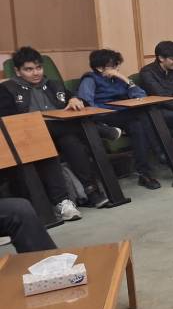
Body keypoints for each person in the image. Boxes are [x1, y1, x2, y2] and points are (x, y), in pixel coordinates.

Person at [0, 47, 110, 216]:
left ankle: (91, 191)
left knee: (71, 142)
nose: (36, 73)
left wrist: (75, 99)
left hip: (60, 133)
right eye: (29, 69)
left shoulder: (53, 84)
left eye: (38, 67)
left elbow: (80, 103)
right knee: (48, 144)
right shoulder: (7, 89)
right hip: (28, 138)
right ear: (17, 71)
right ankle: (62, 201)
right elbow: (7, 120)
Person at [77, 49, 161, 190]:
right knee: (142, 116)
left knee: (139, 123)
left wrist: (125, 79)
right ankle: (160, 153)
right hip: (105, 116)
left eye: (117, 65)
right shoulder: (89, 80)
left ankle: (144, 173)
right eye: (113, 65)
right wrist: (104, 112)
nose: (116, 69)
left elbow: (141, 96)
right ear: (99, 67)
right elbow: (86, 104)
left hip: (124, 114)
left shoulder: (117, 79)